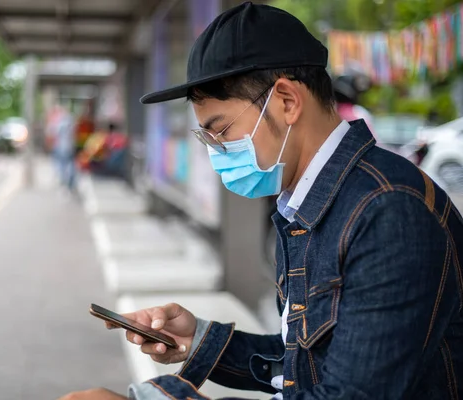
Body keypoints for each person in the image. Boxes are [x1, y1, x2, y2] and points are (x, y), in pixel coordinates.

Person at [62, 3, 463, 399]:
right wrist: (202, 341)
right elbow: (310, 361)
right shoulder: (307, 202)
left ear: (287, 101)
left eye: (221, 131)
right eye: (207, 138)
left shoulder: (388, 211)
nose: (216, 151)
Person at [47, 106, 77, 193]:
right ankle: (70, 183)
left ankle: (64, 182)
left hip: (60, 146)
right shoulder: (71, 122)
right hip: (70, 146)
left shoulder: (57, 122)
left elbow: (51, 133)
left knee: (62, 165)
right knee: (70, 165)